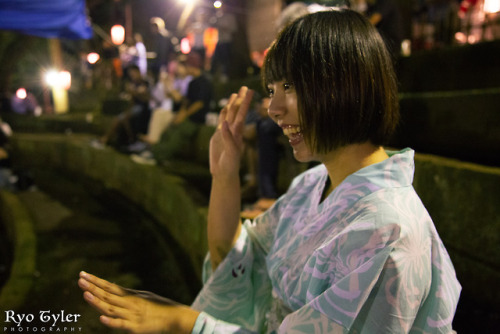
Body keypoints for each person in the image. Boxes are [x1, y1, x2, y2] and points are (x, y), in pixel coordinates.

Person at [78, 9, 461, 333]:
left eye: (290, 86)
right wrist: (224, 176)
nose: (274, 108)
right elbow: (235, 263)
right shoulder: (314, 182)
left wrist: (185, 323)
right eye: (272, 89)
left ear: (346, 85)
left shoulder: (387, 232)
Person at [95, 65, 151, 149]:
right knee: (120, 118)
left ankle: (107, 139)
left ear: (138, 72)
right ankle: (113, 139)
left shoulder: (144, 82)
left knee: (122, 118)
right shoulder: (133, 83)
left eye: (133, 73)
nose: (132, 76)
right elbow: (132, 100)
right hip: (134, 107)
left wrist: (133, 92)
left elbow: (145, 98)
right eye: (131, 74)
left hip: (142, 107)